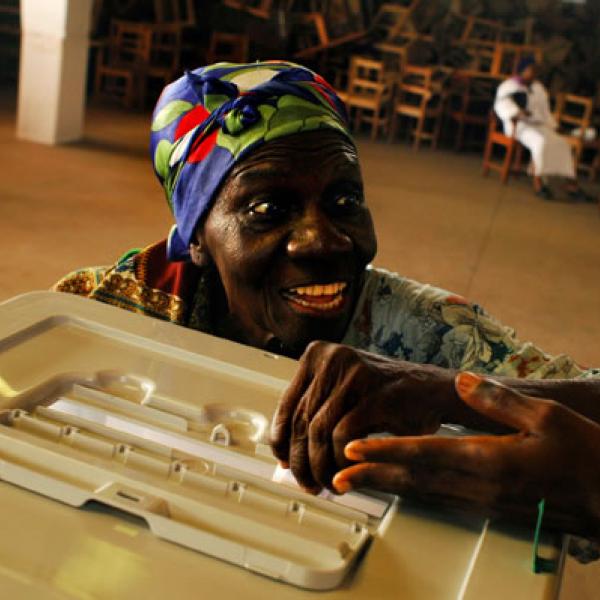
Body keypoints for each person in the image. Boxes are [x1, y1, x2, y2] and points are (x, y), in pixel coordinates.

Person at [55, 61, 600, 545]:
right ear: (196, 238)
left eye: (345, 201)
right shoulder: (107, 311)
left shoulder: (428, 331)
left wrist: (437, 391)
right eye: (268, 207)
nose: (324, 240)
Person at [494, 57, 590, 201]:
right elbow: (501, 104)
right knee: (540, 143)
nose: (534, 73)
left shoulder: (538, 87)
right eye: (530, 70)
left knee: (561, 144)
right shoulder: (509, 86)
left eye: (535, 70)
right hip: (520, 125)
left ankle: (571, 184)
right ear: (523, 70)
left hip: (539, 124)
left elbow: (545, 112)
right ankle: (538, 183)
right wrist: (517, 112)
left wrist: (554, 126)